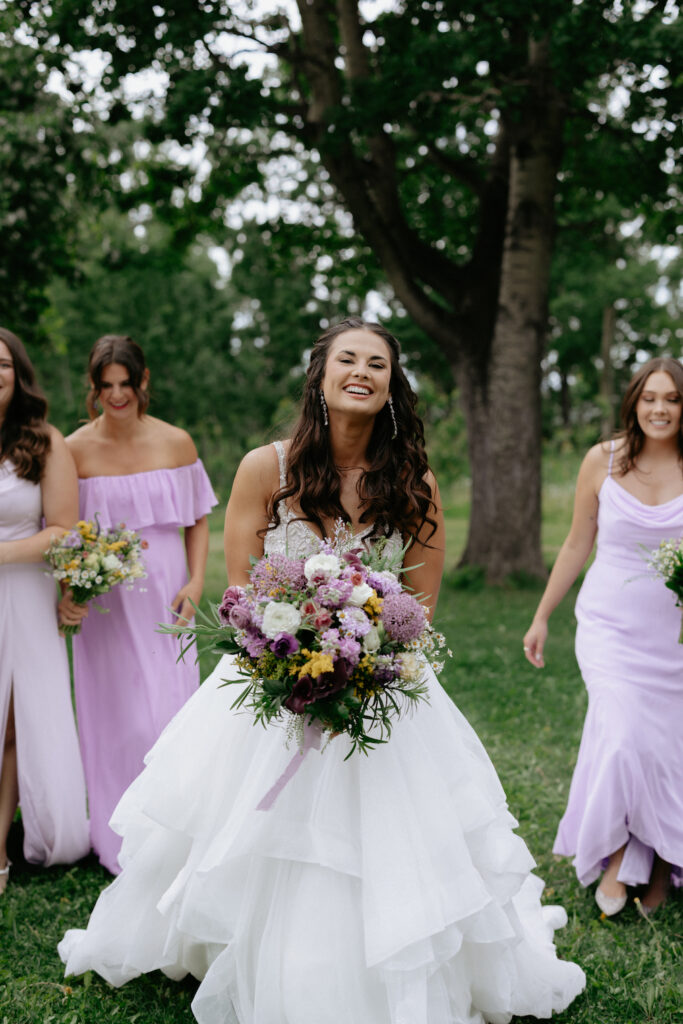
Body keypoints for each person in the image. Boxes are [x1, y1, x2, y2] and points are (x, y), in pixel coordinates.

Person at [59, 319, 584, 1023]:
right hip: (272, 681)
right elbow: (242, 594)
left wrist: (363, 661)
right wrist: (291, 658)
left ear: (392, 386)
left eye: (377, 362)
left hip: (380, 686)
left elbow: (420, 611)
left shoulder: (412, 482)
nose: (361, 370)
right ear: (321, 375)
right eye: (347, 359)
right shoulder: (262, 468)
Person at [523, 356, 683, 917]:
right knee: (620, 738)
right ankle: (616, 856)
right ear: (634, 403)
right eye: (650, 398)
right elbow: (575, 543)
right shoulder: (603, 459)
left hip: (676, 636)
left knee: (664, 748)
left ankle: (662, 863)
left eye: (672, 399)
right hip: (610, 627)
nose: (660, 409)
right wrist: (542, 615)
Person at [58, 334, 218, 875]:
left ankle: (175, 830)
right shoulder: (74, 449)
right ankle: (117, 835)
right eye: (107, 387)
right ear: (94, 389)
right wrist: (71, 589)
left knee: (167, 714)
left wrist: (196, 580)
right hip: (107, 602)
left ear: (143, 381)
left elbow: (198, 517)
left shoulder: (176, 442)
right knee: (119, 719)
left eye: (126, 384)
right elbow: (61, 529)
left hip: (167, 592)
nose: (118, 396)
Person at [0, 327, 89, 893]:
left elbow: (64, 529)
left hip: (23, 594)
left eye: (2, 364)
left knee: (12, 721)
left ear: (18, 373)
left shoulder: (44, 441)